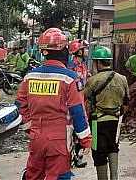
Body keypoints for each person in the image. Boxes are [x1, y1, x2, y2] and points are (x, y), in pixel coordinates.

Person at [15, 28, 92, 180]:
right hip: (59, 139)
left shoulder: (30, 77)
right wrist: (85, 139)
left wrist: (31, 129)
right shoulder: (70, 78)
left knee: (33, 175)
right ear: (64, 50)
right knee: (58, 176)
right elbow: (77, 111)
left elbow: (20, 107)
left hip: (36, 138)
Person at [84, 46, 129, 180]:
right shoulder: (122, 79)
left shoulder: (93, 80)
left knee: (99, 153)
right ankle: (114, 177)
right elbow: (126, 102)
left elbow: (82, 99)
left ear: (98, 62)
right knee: (113, 147)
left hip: (98, 123)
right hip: (115, 122)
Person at [67, 38, 91, 168]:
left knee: (80, 130)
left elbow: (86, 78)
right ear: (79, 51)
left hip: (83, 101)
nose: (87, 51)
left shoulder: (83, 66)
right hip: (75, 103)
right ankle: (74, 157)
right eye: (85, 49)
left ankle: (77, 155)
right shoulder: (71, 67)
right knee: (75, 131)